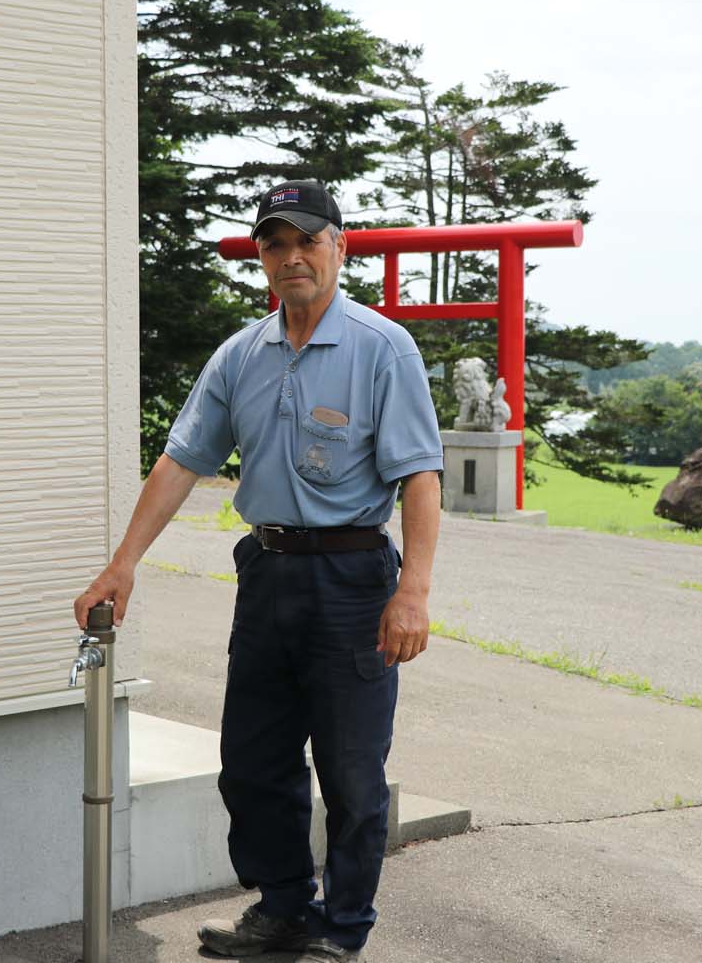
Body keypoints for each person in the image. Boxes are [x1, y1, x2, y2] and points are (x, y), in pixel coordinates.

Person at [74, 179, 442, 962]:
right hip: (269, 574)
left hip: (354, 578)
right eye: (275, 244)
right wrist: (123, 564)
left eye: (308, 240)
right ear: (262, 261)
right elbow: (181, 461)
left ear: (340, 248)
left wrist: (412, 591)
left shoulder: (383, 349)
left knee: (349, 769)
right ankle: (281, 911)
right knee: (252, 761)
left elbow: (419, 475)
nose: (292, 257)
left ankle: (342, 931)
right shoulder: (241, 355)